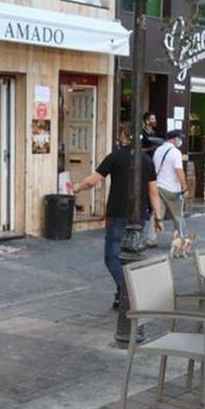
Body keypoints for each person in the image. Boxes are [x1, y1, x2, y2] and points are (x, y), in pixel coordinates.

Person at [72, 124, 164, 311]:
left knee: (112, 257)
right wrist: (158, 218)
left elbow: (92, 181)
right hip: (140, 216)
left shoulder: (115, 157)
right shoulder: (147, 160)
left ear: (124, 138)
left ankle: (127, 292)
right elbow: (153, 192)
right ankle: (121, 296)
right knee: (131, 256)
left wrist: (76, 188)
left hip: (118, 214)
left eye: (121, 134)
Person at [154, 129, 189, 238]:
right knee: (178, 215)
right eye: (180, 139)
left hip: (158, 186)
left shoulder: (158, 150)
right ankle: (180, 238)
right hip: (172, 189)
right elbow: (179, 171)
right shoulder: (175, 152)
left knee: (157, 214)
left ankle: (151, 238)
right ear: (174, 139)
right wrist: (184, 187)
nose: (180, 141)